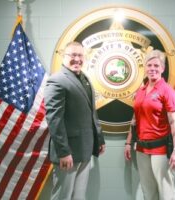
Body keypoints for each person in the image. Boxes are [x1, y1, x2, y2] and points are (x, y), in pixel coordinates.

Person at [44, 41, 106, 200]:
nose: (77, 59)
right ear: (64, 57)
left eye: (80, 55)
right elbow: (54, 120)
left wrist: (99, 139)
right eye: (73, 55)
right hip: (68, 153)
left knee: (79, 196)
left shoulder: (84, 79)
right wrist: (63, 152)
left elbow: (92, 113)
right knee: (63, 197)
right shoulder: (57, 80)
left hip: (85, 149)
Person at [124, 50, 175, 200]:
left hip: (161, 150)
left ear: (162, 68)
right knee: (148, 192)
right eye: (149, 65)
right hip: (142, 149)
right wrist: (128, 143)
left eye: (156, 65)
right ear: (145, 68)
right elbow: (134, 119)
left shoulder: (167, 91)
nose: (152, 68)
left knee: (166, 192)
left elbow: (174, 122)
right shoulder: (141, 91)